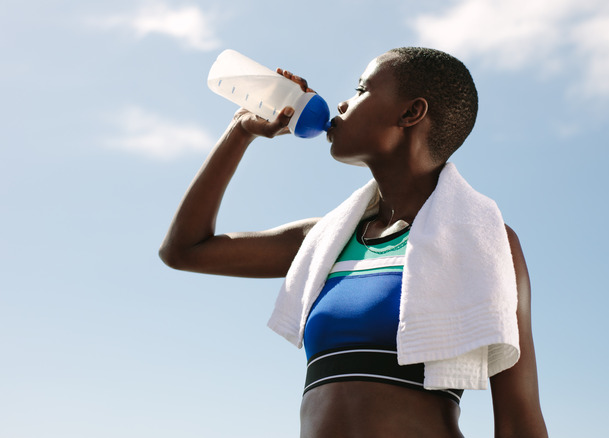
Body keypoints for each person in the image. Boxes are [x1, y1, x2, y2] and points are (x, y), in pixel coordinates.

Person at [160, 47, 548, 438]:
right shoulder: (327, 240)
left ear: (411, 113)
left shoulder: (481, 240)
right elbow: (184, 249)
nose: (343, 103)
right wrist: (240, 130)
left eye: (361, 89)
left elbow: (518, 419)